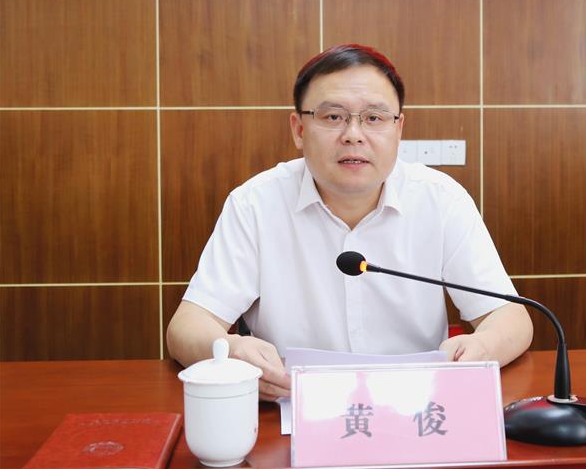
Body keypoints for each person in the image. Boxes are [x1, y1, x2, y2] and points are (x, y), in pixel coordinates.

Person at [167, 44, 533, 401]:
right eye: (332, 117)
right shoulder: (255, 204)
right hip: (293, 407)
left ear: (398, 129)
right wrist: (229, 349)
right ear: (298, 129)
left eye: (374, 118)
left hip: (414, 407)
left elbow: (511, 319)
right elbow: (186, 327)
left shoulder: (441, 200)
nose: (353, 134)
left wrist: (483, 346)